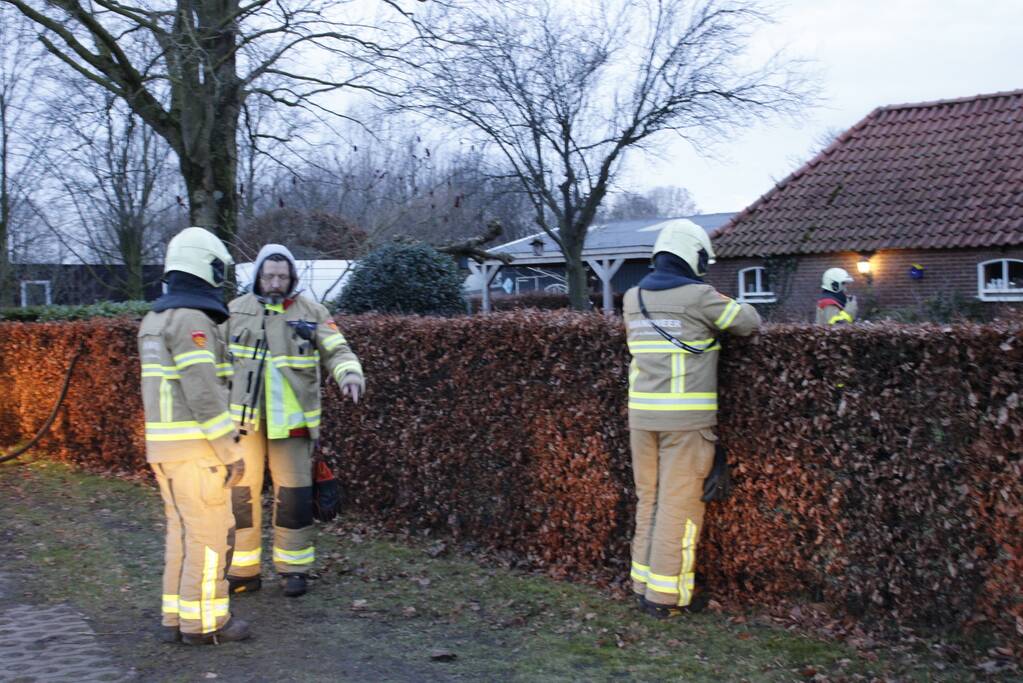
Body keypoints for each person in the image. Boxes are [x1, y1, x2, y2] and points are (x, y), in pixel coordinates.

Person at [622, 219, 761, 619]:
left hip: (642, 418)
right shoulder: (700, 296)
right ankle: (666, 599)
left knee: (649, 500)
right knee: (678, 508)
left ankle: (641, 583)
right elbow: (748, 321)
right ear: (693, 256)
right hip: (685, 422)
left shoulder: (633, 298)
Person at [224, 244, 365, 598]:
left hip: (294, 422)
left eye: (281, 276)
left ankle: (294, 570)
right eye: (269, 276)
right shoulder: (234, 312)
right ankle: (243, 570)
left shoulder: (311, 311)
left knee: (295, 498)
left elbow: (337, 348)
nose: (274, 282)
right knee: (241, 496)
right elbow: (213, 360)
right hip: (244, 423)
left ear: (291, 278)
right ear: (258, 275)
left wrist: (350, 374)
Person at [138, 227, 250, 645]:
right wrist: (230, 450)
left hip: (165, 450)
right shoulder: (192, 321)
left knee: (180, 535)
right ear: (206, 265)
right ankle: (205, 623)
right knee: (208, 537)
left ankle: (176, 617)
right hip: (197, 451)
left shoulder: (154, 319)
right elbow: (203, 392)